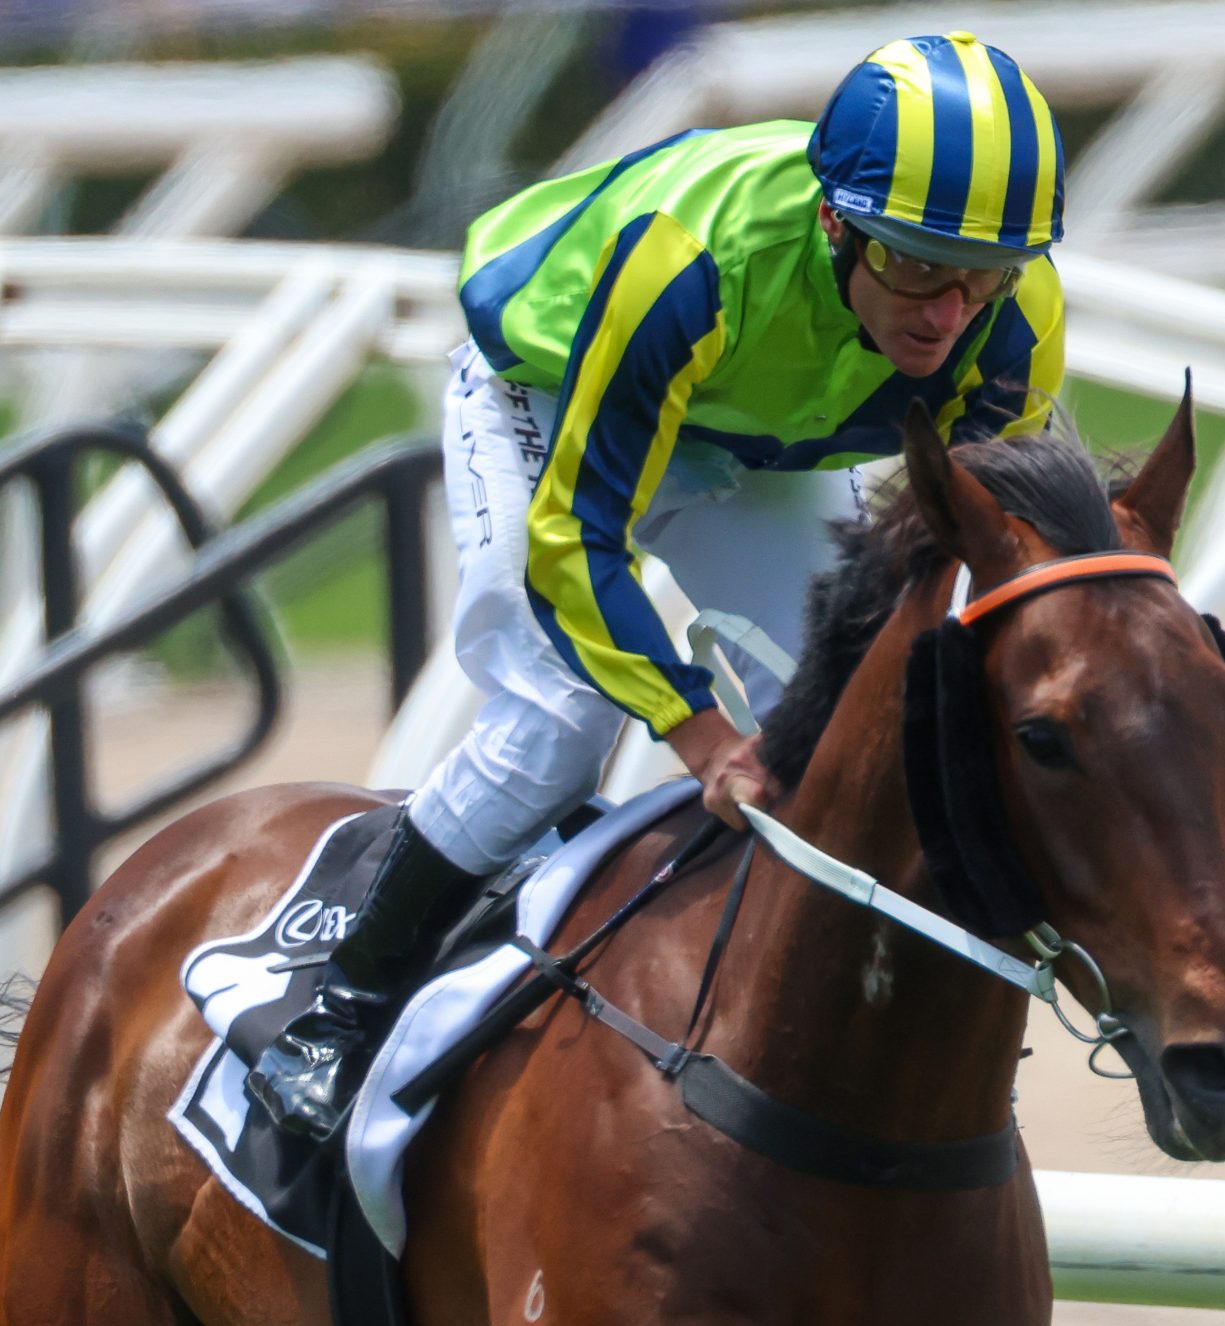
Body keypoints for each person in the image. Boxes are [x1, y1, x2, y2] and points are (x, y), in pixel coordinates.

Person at [249, 32, 1068, 1141]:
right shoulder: (687, 258)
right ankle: (339, 1008)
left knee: (857, 720)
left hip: (757, 448)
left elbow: (968, 574)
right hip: (551, 388)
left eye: (978, 278)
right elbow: (572, 539)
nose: (945, 315)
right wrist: (697, 733)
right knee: (558, 721)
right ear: (834, 222)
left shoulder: (1016, 321)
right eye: (913, 266)